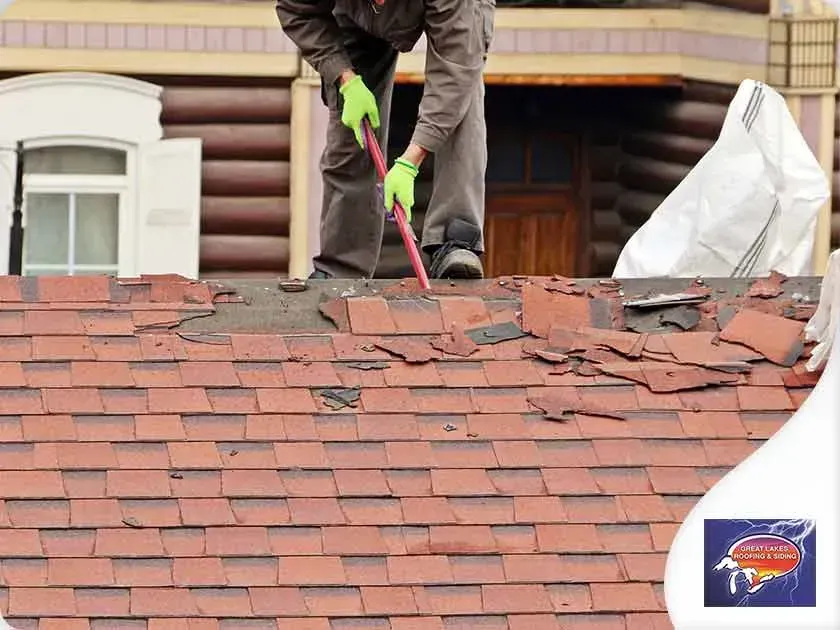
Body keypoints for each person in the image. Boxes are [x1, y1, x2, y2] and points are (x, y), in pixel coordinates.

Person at [275, 0, 495, 280]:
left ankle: (456, 240)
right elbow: (296, 11)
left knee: (463, 98)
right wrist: (345, 78)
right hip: (355, 17)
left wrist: (409, 163)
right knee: (350, 122)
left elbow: (455, 72)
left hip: (458, 18)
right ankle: (342, 266)